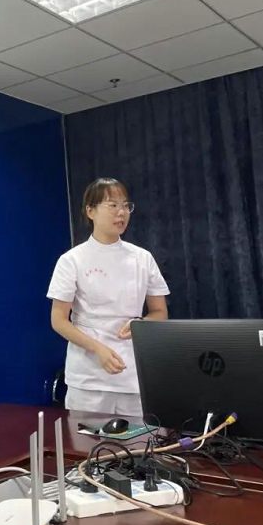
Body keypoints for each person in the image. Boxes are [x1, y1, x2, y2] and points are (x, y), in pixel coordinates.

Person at [47, 177, 169, 417]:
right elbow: (59, 320)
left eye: (125, 206)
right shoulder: (72, 260)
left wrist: (140, 324)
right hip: (88, 379)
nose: (121, 212)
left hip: (133, 376)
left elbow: (160, 312)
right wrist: (97, 349)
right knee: (86, 440)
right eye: (112, 205)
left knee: (139, 440)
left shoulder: (142, 258)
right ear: (90, 211)